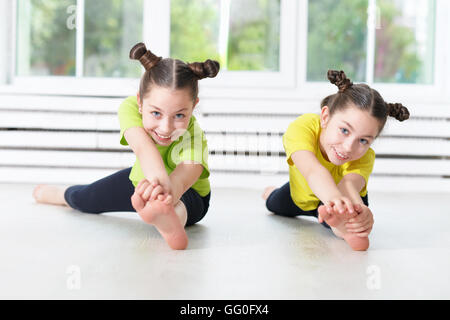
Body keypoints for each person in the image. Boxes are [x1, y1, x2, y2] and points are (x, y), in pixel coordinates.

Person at [33, 42, 220, 250]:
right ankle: (62, 195)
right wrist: (155, 186)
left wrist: (163, 196)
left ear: (193, 106)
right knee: (88, 199)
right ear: (140, 102)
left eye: (179, 115)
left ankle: (168, 220)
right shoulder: (129, 108)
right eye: (156, 113)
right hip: (142, 180)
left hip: (188, 192)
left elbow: (184, 175)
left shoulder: (194, 136)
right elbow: (143, 148)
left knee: (180, 205)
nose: (166, 128)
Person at [262, 70, 410, 251]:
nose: (349, 147)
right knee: (272, 203)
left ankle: (342, 228)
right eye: (345, 130)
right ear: (325, 117)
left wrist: (355, 212)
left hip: (343, 200)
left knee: (345, 219)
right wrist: (333, 199)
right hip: (301, 195)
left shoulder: (366, 155)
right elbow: (311, 170)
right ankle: (271, 192)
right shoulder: (303, 128)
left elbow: (349, 185)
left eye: (363, 140)